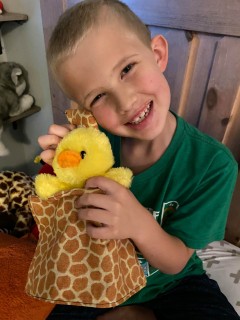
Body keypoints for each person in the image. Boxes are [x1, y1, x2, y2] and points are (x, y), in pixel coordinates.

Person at [38, 1, 239, 319]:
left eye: (127, 69)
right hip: (98, 280)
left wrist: (136, 222)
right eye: (99, 96)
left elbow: (175, 262)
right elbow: (71, 222)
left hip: (175, 285)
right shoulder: (96, 145)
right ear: (87, 111)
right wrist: (65, 169)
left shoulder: (213, 165)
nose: (126, 101)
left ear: (157, 54)